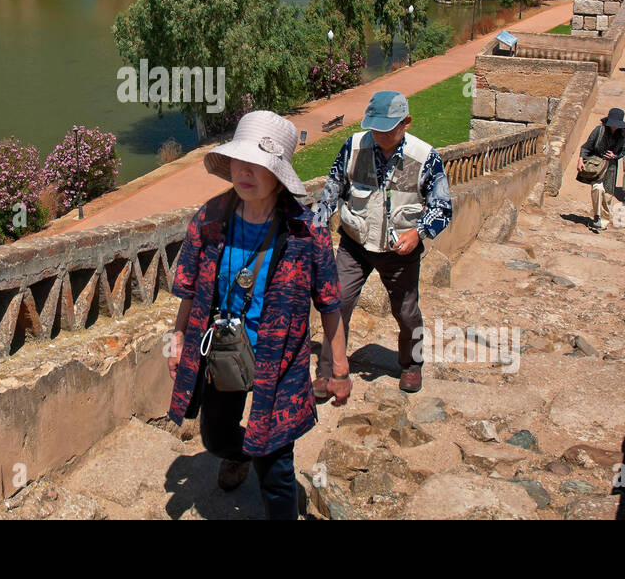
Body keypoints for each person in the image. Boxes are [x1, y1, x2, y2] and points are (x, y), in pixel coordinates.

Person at [166, 111, 350, 519]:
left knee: (276, 470)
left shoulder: (307, 233)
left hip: (280, 361)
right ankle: (243, 453)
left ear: (279, 172)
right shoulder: (210, 218)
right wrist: (177, 339)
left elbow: (330, 304)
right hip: (223, 351)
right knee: (213, 438)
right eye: (238, 160)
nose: (244, 171)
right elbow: (188, 288)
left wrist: (338, 368)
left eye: (258, 164)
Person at [312, 91, 453, 395]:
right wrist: (317, 223)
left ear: (406, 123)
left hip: (400, 250)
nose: (379, 134)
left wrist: (418, 233)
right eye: (375, 127)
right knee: (337, 303)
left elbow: (442, 207)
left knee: (406, 311)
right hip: (355, 243)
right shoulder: (354, 146)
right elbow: (333, 189)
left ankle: (412, 365)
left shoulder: (425, 157)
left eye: (388, 128)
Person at [577, 107, 625, 231]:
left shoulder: (622, 136)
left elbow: (623, 151)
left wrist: (615, 156)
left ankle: (604, 220)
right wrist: (580, 159)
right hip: (597, 165)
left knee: (607, 195)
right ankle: (597, 217)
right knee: (597, 189)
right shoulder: (599, 131)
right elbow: (587, 146)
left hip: (611, 167)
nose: (614, 127)